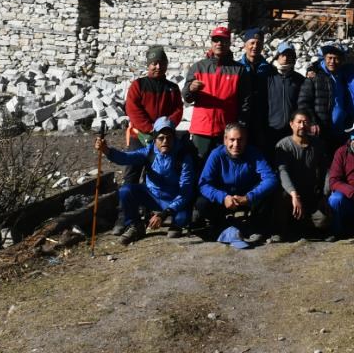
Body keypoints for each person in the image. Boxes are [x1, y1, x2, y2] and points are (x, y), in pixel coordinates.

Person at [116, 45, 185, 234]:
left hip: (163, 138)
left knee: (158, 174)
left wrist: (165, 128)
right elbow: (133, 110)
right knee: (131, 174)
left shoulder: (171, 88)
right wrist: (150, 130)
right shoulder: (138, 85)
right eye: (154, 63)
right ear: (148, 65)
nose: (157, 67)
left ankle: (152, 212)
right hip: (139, 136)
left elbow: (178, 110)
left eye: (161, 63)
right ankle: (124, 218)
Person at [96, 117, 197, 245]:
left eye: (169, 137)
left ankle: (175, 222)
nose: (165, 141)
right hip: (152, 195)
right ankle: (135, 225)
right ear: (155, 139)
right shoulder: (149, 151)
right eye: (161, 138)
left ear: (174, 138)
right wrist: (107, 150)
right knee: (126, 191)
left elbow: (186, 192)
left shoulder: (183, 157)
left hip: (173, 199)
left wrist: (164, 214)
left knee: (181, 220)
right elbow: (126, 158)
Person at [195, 122, 279, 243]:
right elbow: (203, 184)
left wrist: (249, 197)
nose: (236, 144)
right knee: (202, 203)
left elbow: (271, 179)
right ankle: (221, 225)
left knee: (267, 193)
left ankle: (256, 227)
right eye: (232, 140)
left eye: (240, 140)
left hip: (246, 196)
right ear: (225, 140)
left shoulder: (254, 153)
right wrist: (223, 197)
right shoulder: (216, 155)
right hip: (224, 198)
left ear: (246, 140)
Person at [183, 27, 246, 163]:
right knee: (198, 166)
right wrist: (191, 89)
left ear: (229, 43)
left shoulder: (239, 70)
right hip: (201, 130)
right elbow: (187, 97)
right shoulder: (198, 67)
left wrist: (240, 126)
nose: (219, 44)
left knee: (223, 167)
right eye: (216, 40)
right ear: (211, 43)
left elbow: (245, 102)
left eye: (223, 40)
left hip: (226, 131)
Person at [273, 110, 330, 240]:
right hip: (290, 195)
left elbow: (326, 170)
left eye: (305, 122)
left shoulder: (317, 144)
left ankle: (303, 225)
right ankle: (279, 231)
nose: (302, 125)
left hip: (311, 194)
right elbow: (282, 171)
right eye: (299, 122)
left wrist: (325, 194)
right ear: (291, 124)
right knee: (279, 196)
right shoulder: (283, 145)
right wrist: (294, 194)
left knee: (323, 220)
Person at [298, 43, 350, 148]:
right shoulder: (314, 76)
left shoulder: (342, 75)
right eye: (329, 58)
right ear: (324, 58)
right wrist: (312, 122)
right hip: (320, 129)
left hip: (340, 130)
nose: (332, 62)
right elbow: (303, 102)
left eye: (336, 59)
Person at [264, 42, 305, 152]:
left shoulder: (299, 79)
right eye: (283, 55)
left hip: (292, 129)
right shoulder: (268, 77)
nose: (286, 58)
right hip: (271, 129)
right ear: (277, 56)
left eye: (289, 55)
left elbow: (302, 103)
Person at [237, 28, 273, 135]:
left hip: (262, 118)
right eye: (252, 43)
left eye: (258, 43)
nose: (255, 46)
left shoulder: (269, 69)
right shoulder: (236, 68)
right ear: (245, 45)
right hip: (240, 117)